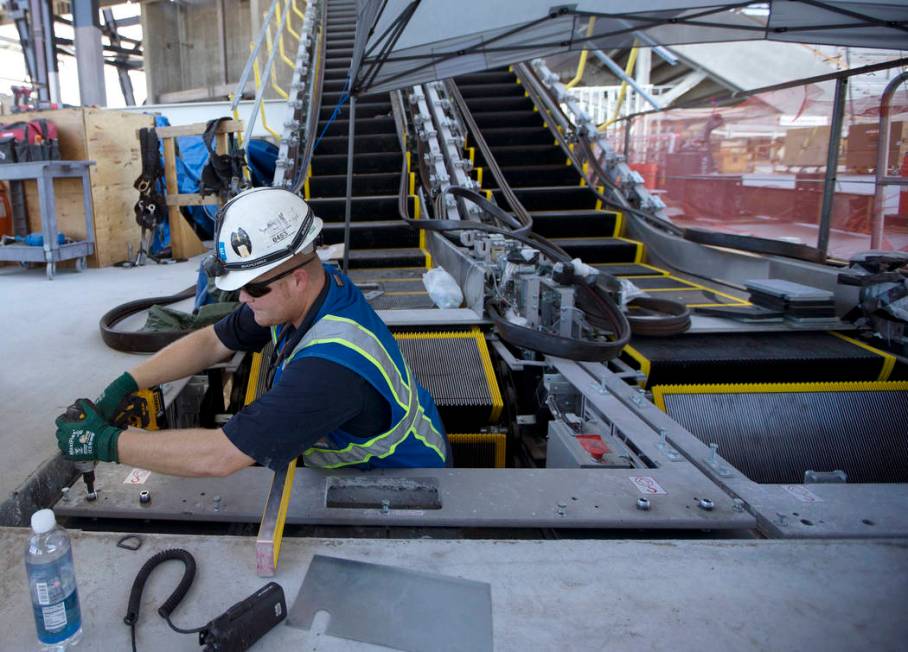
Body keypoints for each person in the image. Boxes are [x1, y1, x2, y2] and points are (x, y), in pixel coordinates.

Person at [55, 187, 449, 476]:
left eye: (253, 287)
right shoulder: (308, 292)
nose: (243, 298)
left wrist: (105, 443)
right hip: (366, 467)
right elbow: (212, 341)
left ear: (296, 279)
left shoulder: (330, 370)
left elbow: (221, 455)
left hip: (403, 488)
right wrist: (126, 383)